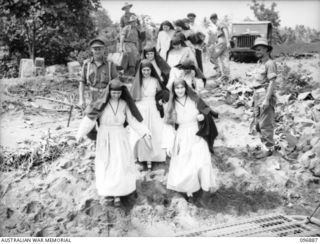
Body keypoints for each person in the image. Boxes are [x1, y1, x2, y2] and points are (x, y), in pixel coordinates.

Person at [76, 78, 151, 207]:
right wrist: (80, 134)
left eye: (118, 93)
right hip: (105, 136)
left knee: (120, 163)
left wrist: (145, 132)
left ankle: (120, 193)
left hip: (120, 136)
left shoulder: (124, 104)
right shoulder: (101, 103)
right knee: (107, 162)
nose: (116, 95)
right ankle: (109, 191)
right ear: (109, 92)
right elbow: (90, 119)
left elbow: (132, 120)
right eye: (113, 93)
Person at [163, 79, 218, 201]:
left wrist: (202, 117)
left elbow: (206, 110)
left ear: (186, 88)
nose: (180, 90)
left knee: (203, 160)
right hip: (182, 135)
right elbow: (168, 126)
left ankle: (205, 188)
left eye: (182, 87)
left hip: (197, 133)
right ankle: (189, 191)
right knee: (186, 163)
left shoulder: (194, 99)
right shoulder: (171, 105)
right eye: (177, 88)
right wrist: (168, 145)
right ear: (173, 90)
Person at [130, 59, 169, 170]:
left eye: (148, 70)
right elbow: (132, 96)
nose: (146, 72)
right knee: (142, 131)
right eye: (144, 70)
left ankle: (153, 157)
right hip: (140, 107)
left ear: (151, 70)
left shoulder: (155, 80)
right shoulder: (137, 81)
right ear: (140, 70)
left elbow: (163, 92)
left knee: (154, 131)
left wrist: (162, 100)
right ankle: (141, 156)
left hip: (152, 107)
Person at [248, 37, 277, 159]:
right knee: (257, 123)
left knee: (265, 123)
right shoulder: (260, 63)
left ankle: (269, 148)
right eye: (256, 50)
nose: (257, 52)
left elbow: (272, 82)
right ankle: (263, 144)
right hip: (257, 95)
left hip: (265, 94)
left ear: (266, 49)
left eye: (259, 49)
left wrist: (266, 99)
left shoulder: (270, 63)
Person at [79, 38, 118, 109]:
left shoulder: (110, 64)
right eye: (95, 49)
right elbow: (82, 82)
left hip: (107, 98)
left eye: (100, 49)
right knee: (91, 119)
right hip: (91, 99)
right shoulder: (87, 64)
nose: (97, 51)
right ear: (91, 50)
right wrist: (81, 99)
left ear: (104, 49)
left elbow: (116, 82)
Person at [209, 13, 230, 83]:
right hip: (223, 41)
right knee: (224, 59)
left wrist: (227, 42)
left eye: (213, 21)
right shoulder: (221, 23)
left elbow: (225, 31)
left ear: (214, 19)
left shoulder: (220, 23)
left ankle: (219, 73)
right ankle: (226, 76)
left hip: (222, 40)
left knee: (212, 57)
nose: (213, 23)